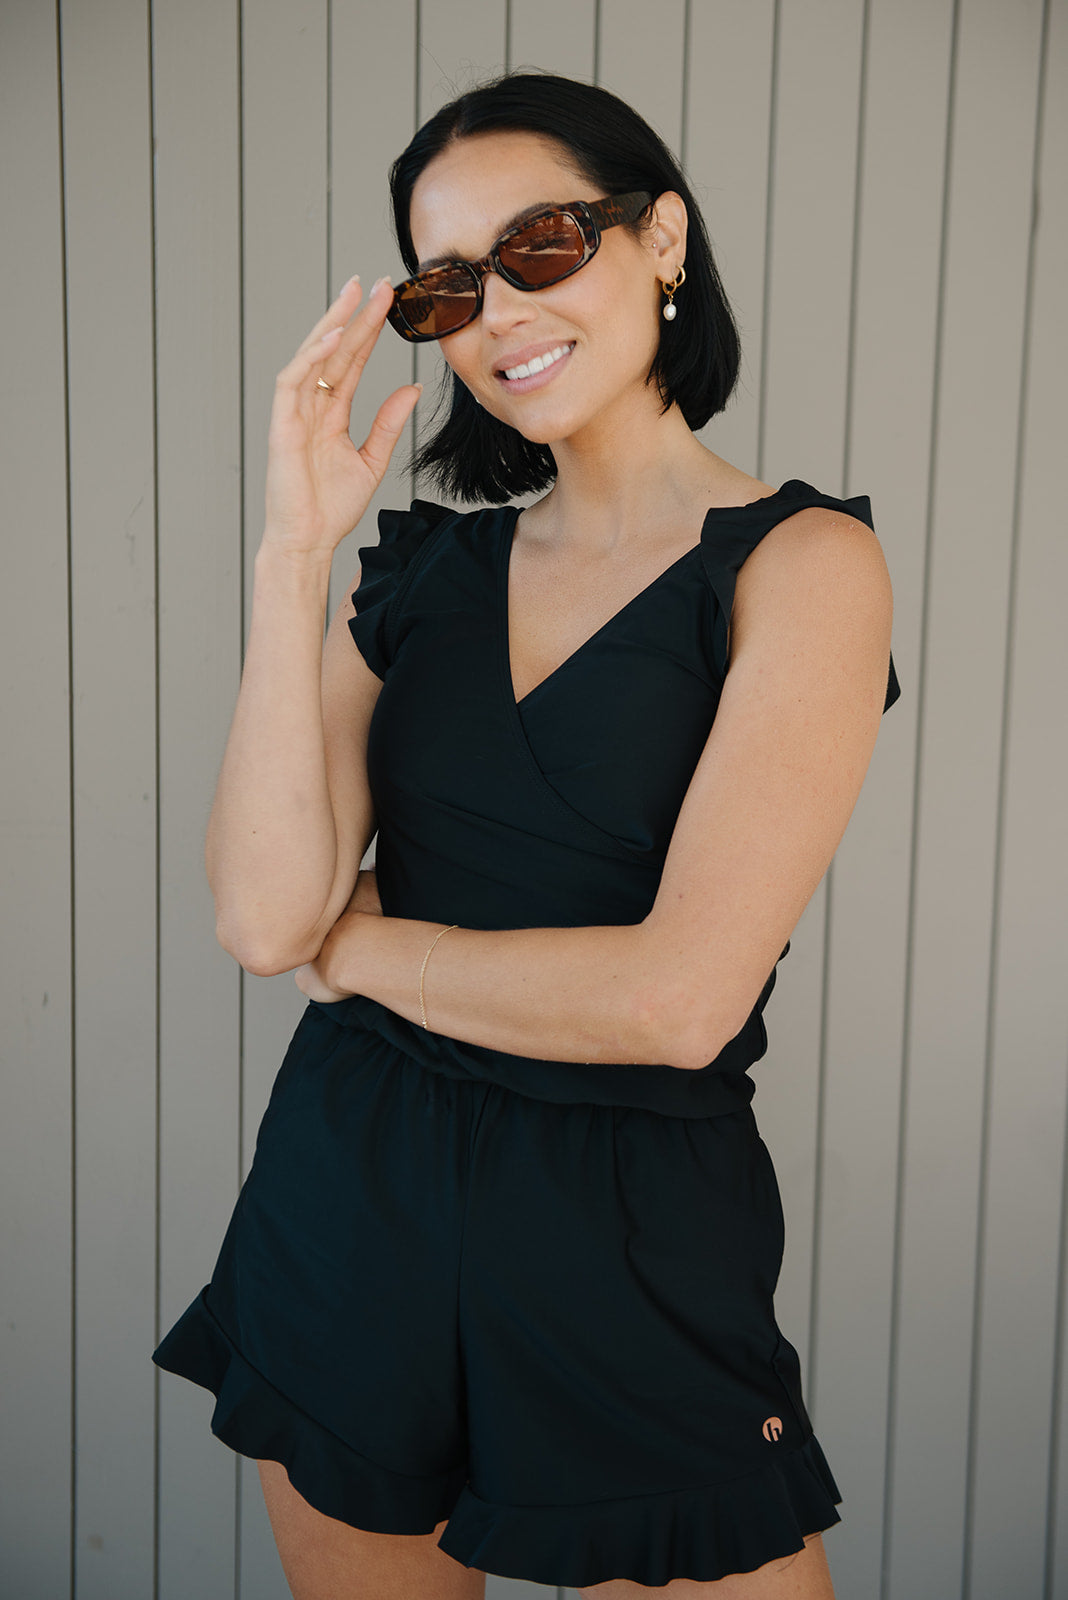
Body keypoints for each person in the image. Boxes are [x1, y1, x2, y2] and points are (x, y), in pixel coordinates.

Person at [154, 71, 899, 1600]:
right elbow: (259, 913)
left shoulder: (805, 565)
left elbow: (675, 1002)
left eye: (541, 245)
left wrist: (354, 949)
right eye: (445, 288)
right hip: (347, 1204)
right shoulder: (421, 572)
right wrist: (294, 555)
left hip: (625, 1241)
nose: (496, 311)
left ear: (662, 239)